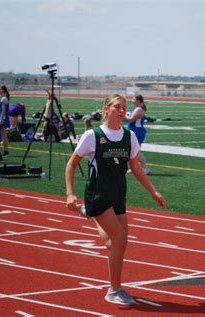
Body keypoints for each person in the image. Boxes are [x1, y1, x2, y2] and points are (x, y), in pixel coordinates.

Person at [65, 94, 166, 306]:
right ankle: (114, 290)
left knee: (117, 243)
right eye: (117, 107)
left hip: (119, 193)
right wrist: (70, 193)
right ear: (106, 109)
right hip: (98, 193)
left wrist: (153, 192)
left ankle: (89, 214)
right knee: (119, 239)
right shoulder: (93, 135)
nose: (121, 111)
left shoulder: (129, 137)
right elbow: (71, 165)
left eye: (124, 108)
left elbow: (135, 168)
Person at [125, 95, 150, 174]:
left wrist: (123, 114)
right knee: (131, 151)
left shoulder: (139, 109)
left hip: (136, 131)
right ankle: (133, 168)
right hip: (134, 130)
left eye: (134, 99)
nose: (132, 100)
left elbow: (131, 119)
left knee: (136, 151)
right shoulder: (137, 109)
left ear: (138, 100)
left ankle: (145, 168)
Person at [0, 85, 10, 155]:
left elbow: (3, 111)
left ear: (3, 90)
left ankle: (5, 151)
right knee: (3, 136)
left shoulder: (4, 99)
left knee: (4, 136)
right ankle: (5, 150)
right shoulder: (3, 98)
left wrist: (1, 120)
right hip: (3, 118)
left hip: (3, 119)